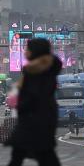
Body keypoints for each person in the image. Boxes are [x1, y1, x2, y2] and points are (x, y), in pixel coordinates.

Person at [6, 38, 62, 166]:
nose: (25, 51)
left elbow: (32, 96)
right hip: (41, 119)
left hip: (34, 120)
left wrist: (20, 105)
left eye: (28, 49)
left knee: (42, 156)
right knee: (42, 155)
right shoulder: (46, 70)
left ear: (34, 52)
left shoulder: (36, 72)